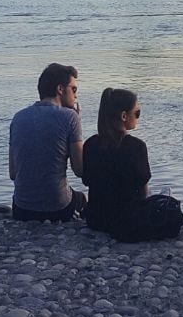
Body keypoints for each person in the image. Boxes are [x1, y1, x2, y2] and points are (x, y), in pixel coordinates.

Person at [9, 63, 86, 221]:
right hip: (57, 208)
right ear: (60, 89)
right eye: (74, 89)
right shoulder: (70, 117)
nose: (76, 95)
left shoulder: (18, 118)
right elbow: (80, 170)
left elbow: (13, 173)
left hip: (21, 208)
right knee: (81, 199)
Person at [82, 88, 149, 236]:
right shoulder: (136, 147)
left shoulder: (90, 144)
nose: (138, 117)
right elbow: (143, 187)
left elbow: (87, 180)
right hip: (127, 220)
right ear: (124, 116)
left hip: (96, 219)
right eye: (137, 113)